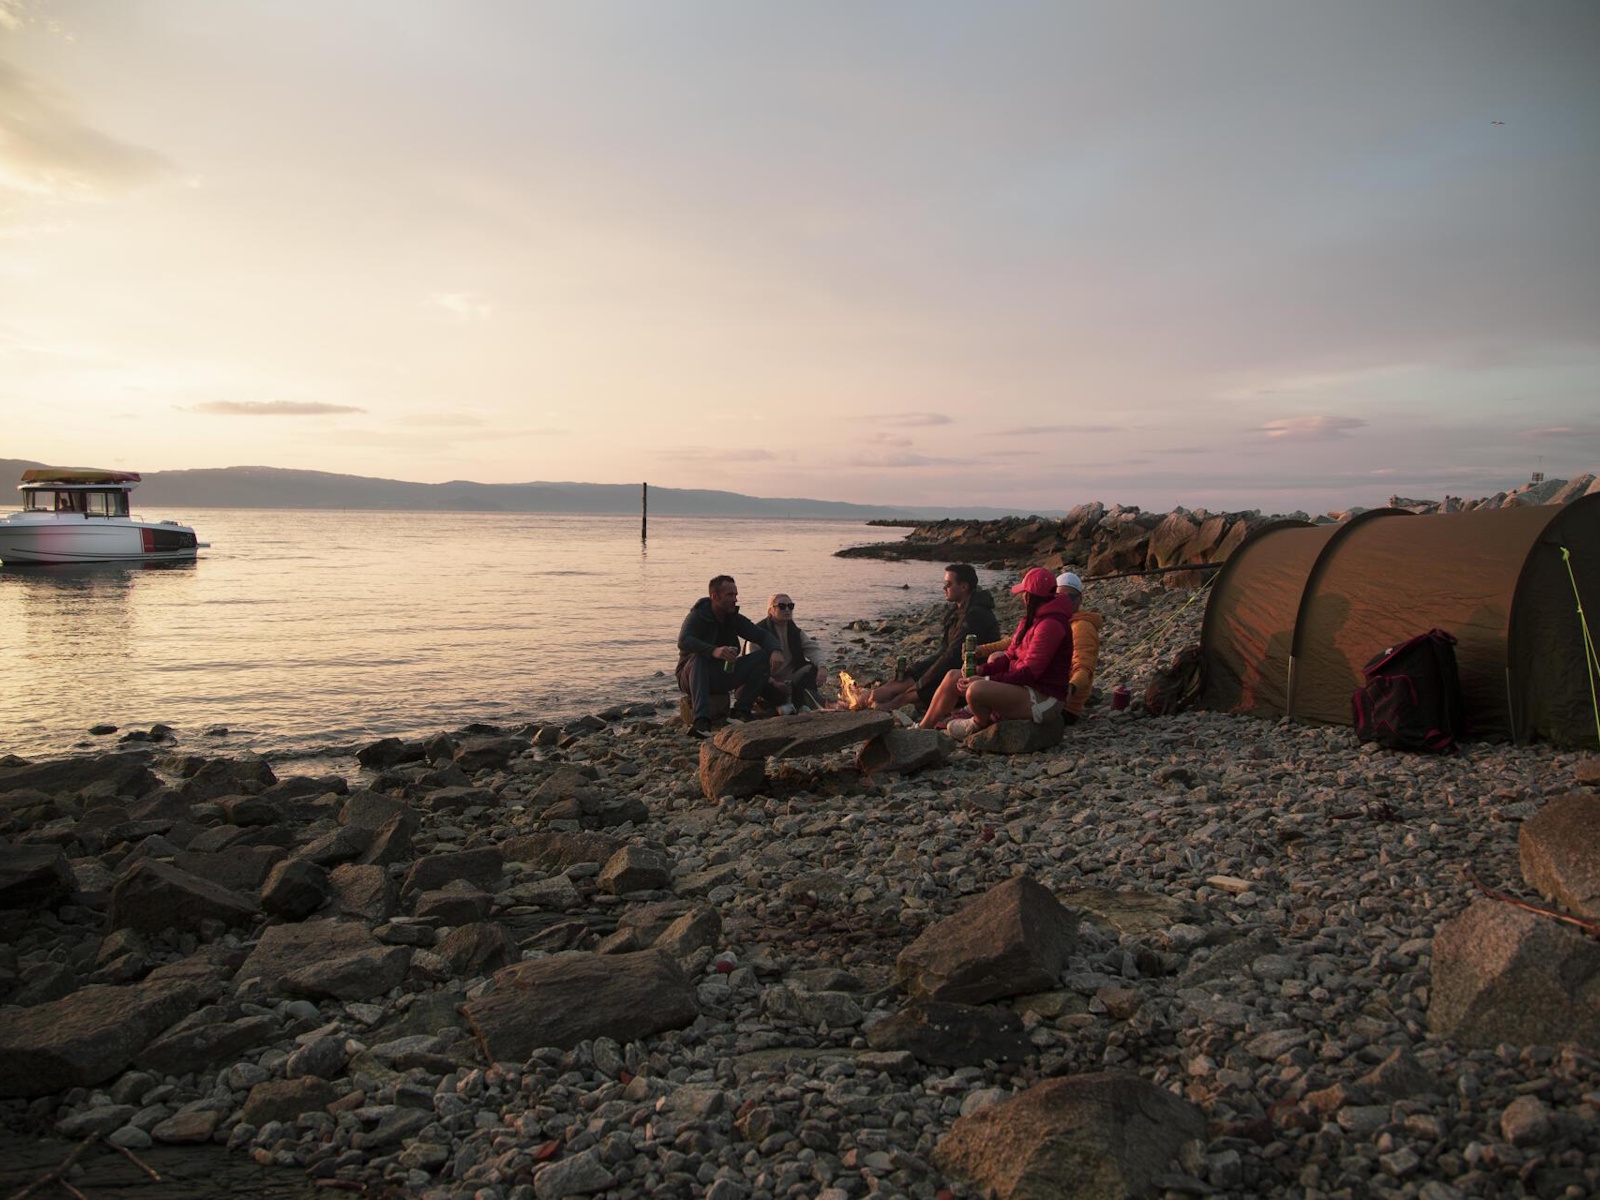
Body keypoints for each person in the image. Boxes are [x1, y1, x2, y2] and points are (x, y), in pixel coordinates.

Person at [943, 567, 1076, 740]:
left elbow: (1029, 673)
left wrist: (986, 680)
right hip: (1028, 687)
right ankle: (990, 713)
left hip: (1045, 699)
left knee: (975, 690)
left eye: (1024, 593)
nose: (1022, 597)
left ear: (1029, 597)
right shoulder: (1031, 620)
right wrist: (982, 670)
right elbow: (1009, 657)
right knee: (984, 665)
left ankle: (979, 722)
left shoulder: (1050, 625)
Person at [868, 563, 1000, 713]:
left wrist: (922, 683)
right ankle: (862, 699)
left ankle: (898, 703)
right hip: (954, 665)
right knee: (897, 684)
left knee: (907, 695)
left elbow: (953, 656)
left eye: (948, 584)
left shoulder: (976, 615)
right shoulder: (957, 611)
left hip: (971, 674)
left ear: (964, 587)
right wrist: (916, 671)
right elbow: (943, 652)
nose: (944, 588)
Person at [676, 575, 782, 740]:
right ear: (715, 596)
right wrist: (713, 651)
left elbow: (761, 635)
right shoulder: (697, 616)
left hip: (722, 673)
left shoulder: (733, 618)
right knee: (699, 658)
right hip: (691, 676)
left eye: (735, 595)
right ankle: (701, 722)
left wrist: (776, 650)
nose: (735, 599)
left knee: (764, 656)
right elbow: (684, 640)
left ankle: (740, 711)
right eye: (730, 595)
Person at [754, 593, 826, 713]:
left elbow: (813, 649)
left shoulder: (795, 631)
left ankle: (800, 703)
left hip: (790, 679)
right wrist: (773, 682)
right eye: (782, 606)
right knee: (762, 684)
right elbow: (752, 665)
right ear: (771, 610)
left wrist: (822, 667)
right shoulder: (758, 631)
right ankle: (778, 705)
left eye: (790, 606)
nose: (787, 610)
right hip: (769, 680)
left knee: (812, 668)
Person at [1056, 571, 1103, 725]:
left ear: (1080, 600)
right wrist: (988, 648)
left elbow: (1083, 667)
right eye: (1059, 597)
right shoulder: (1058, 621)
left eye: (1069, 597)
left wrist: (1071, 687)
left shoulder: (1081, 627)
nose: (1064, 601)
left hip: (1065, 707)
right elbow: (1015, 642)